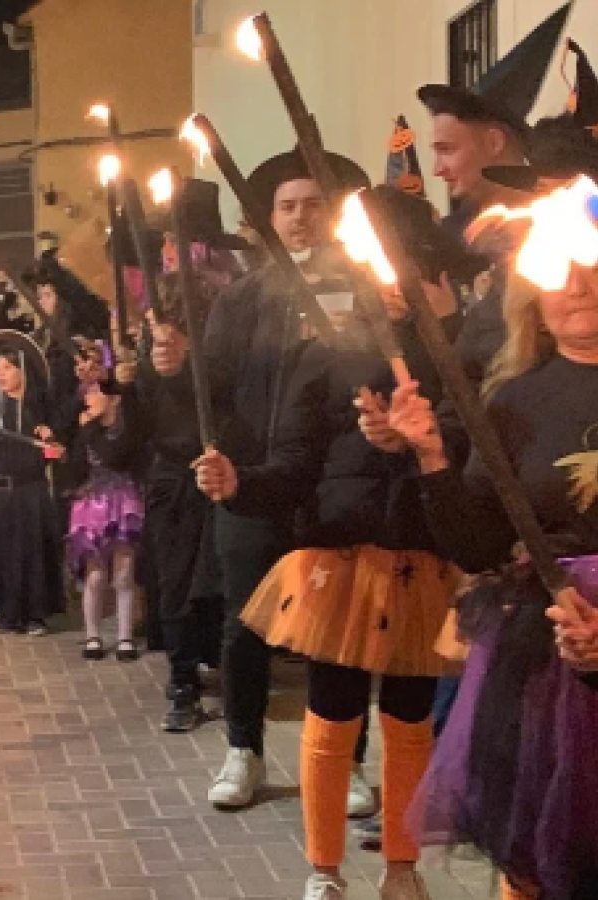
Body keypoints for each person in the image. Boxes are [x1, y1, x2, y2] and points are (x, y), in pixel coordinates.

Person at [197, 186, 480, 900]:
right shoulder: (324, 356)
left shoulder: (453, 360)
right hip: (339, 557)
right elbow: (291, 465)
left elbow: (473, 446)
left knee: (408, 718)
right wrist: (239, 483)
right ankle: (324, 871)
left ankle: (401, 865)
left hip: (421, 556)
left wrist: (417, 439)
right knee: (333, 709)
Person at [393, 142, 598, 900]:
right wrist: (430, 458)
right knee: (533, 860)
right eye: (561, 272)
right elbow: (476, 542)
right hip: (539, 665)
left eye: (592, 264)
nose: (578, 285)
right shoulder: (511, 400)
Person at [201, 146, 371, 810]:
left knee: (337, 628)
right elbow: (209, 391)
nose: (300, 220)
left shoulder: (360, 291)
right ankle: (244, 750)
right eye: (287, 207)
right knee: (246, 626)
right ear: (269, 218)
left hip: (334, 489)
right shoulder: (241, 299)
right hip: (250, 487)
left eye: (313, 206)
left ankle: (347, 758)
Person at [131, 178, 246, 730]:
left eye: (183, 244)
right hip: (172, 472)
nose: (172, 256)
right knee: (176, 580)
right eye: (167, 246)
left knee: (223, 580)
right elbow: (145, 409)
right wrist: (140, 378)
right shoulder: (154, 320)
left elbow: (240, 387)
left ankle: (228, 670)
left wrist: (189, 370)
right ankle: (182, 680)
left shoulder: (234, 309)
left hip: (225, 467)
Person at [418, 4, 565, 384]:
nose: (437, 169)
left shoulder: (564, 232)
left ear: (495, 142)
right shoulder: (446, 242)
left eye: (447, 150)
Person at [0, 330, 65, 634]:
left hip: (32, 490)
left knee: (33, 551)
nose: (1, 375)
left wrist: (50, 441)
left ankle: (35, 613)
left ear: (22, 369)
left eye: (7, 368)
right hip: (2, 490)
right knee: (4, 551)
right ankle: (8, 612)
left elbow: (55, 450)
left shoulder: (40, 404)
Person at [62, 340, 143, 659]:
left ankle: (125, 636)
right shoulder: (85, 429)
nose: (88, 400)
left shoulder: (124, 430)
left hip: (122, 500)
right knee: (95, 575)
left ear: (112, 401)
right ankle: (92, 635)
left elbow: (115, 458)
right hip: (91, 504)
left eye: (94, 394)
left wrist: (92, 429)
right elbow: (76, 468)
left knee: (123, 573)